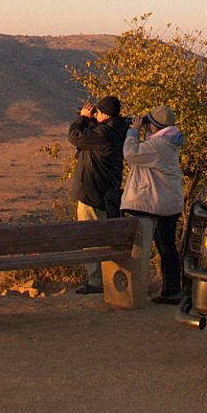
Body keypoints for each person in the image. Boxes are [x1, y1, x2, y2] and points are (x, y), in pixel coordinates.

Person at [121, 104, 185, 304]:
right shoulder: (168, 142)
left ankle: (137, 291)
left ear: (156, 126)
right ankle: (172, 291)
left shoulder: (158, 146)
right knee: (167, 248)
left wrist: (133, 131)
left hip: (155, 203)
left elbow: (130, 153)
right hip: (168, 204)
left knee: (147, 249)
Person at [66, 95, 129, 293]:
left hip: (92, 193)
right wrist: (93, 120)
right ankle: (109, 278)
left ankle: (96, 282)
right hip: (108, 193)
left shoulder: (102, 134)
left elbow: (75, 136)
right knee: (106, 236)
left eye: (97, 112)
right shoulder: (119, 129)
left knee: (91, 236)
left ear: (103, 114)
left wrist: (83, 118)